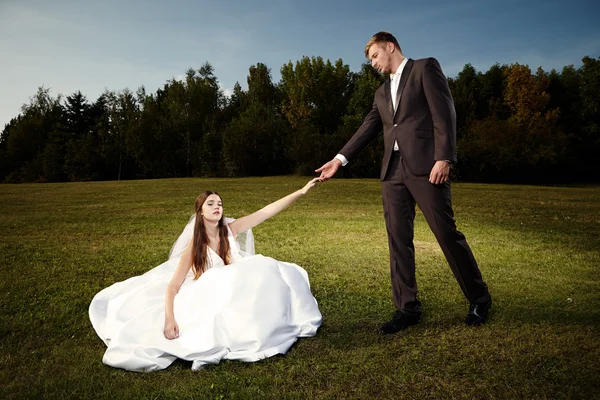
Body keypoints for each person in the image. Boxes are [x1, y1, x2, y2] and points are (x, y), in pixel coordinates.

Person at [316, 32, 492, 334]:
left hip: (426, 166)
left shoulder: (425, 68)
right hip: (392, 172)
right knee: (398, 240)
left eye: (374, 55)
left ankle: (480, 298)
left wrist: (444, 157)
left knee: (445, 233)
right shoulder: (381, 93)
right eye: (369, 59)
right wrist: (339, 159)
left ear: (390, 46)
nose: (372, 62)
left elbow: (444, 113)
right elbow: (368, 128)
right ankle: (407, 308)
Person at [89, 178, 322, 372]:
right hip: (210, 290)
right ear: (200, 212)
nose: (217, 207)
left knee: (268, 269)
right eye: (210, 204)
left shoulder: (231, 230)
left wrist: (301, 191)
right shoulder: (194, 247)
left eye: (219, 203)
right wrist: (170, 319)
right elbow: (172, 287)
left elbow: (266, 212)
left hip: (234, 284)